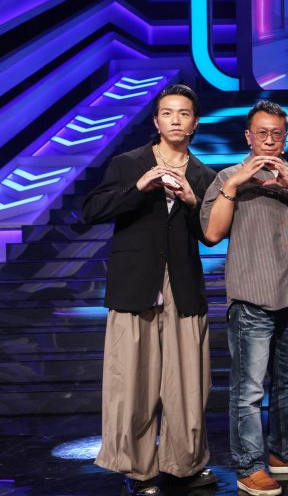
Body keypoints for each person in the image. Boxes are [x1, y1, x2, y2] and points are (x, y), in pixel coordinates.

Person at [82, 84, 219, 496]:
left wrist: (193, 201)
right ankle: (138, 470)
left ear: (195, 123)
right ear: (156, 120)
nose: (176, 120)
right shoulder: (129, 163)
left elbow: (211, 234)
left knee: (188, 383)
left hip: (182, 286)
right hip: (136, 283)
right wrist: (138, 187)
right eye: (168, 113)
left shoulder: (204, 174)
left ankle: (184, 464)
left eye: (184, 113)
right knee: (132, 382)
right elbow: (91, 210)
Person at [201, 100, 288, 496]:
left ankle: (285, 453)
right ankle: (248, 466)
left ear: (285, 139)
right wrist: (235, 184)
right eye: (262, 133)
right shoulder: (227, 176)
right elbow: (212, 234)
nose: (269, 141)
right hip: (251, 297)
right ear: (248, 137)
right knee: (249, 390)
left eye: (277, 134)